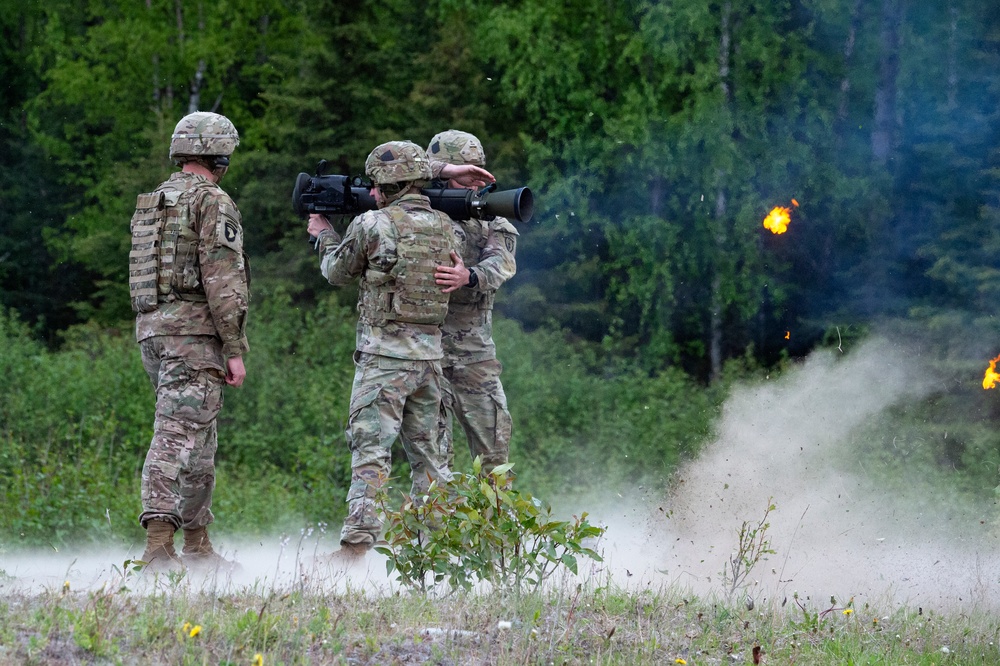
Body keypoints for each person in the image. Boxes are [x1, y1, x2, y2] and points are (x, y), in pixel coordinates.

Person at [307, 140, 466, 556]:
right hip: (430, 361)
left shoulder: (373, 224)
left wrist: (324, 235)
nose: (372, 193)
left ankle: (358, 545)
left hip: (384, 360)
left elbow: (336, 272)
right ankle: (436, 547)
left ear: (390, 185)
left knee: (371, 449)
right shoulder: (448, 227)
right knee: (431, 458)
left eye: (376, 185)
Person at [129, 111, 250, 571]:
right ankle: (159, 545)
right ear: (218, 154)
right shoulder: (212, 201)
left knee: (200, 439)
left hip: (154, 333)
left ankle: (197, 545)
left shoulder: (155, 200)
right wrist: (235, 347)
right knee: (176, 435)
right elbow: (223, 281)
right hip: (193, 336)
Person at [426, 130, 517, 474]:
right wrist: (444, 171)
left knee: (494, 456)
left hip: (473, 353)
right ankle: (437, 528)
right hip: (425, 353)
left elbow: (503, 263)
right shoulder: (414, 209)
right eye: (464, 174)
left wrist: (470, 276)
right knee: (435, 461)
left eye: (477, 172)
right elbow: (393, 169)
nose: (473, 182)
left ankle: (495, 526)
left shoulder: (491, 215)